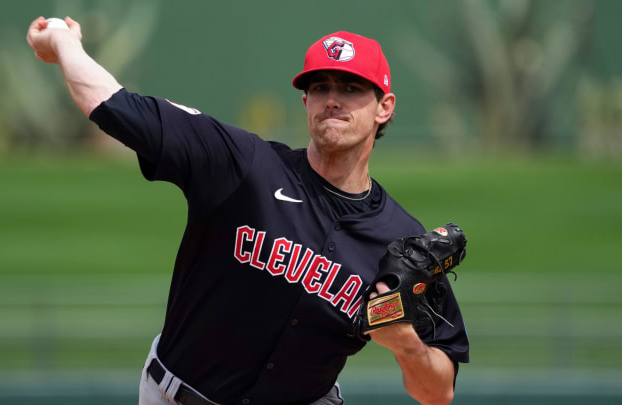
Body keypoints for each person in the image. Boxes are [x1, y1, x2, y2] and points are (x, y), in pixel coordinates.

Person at [26, 16, 469, 405]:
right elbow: (115, 105)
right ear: (305, 102)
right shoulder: (244, 164)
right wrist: (65, 43)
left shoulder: (401, 241)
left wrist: (404, 344)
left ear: (384, 108)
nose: (332, 99)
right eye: (320, 87)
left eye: (351, 88)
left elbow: (438, 392)